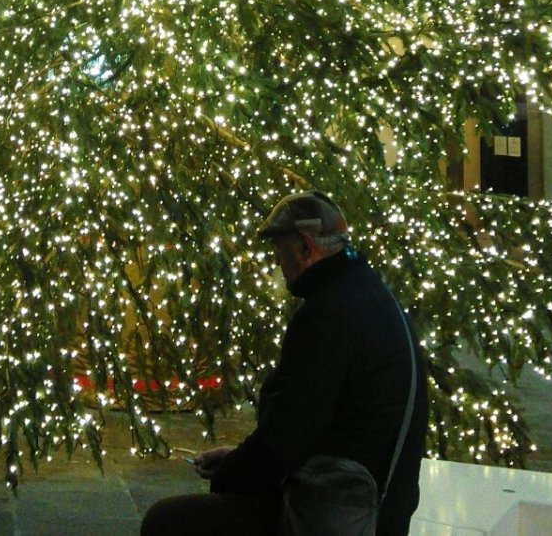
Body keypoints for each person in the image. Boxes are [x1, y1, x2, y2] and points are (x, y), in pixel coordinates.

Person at [141, 190, 428, 536]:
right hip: (378, 506)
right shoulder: (368, 294)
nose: (277, 263)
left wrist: (231, 474)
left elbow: (285, 440)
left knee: (168, 522)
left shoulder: (327, 317)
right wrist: (235, 458)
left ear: (305, 248)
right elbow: (317, 428)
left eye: (280, 250)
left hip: (345, 515)